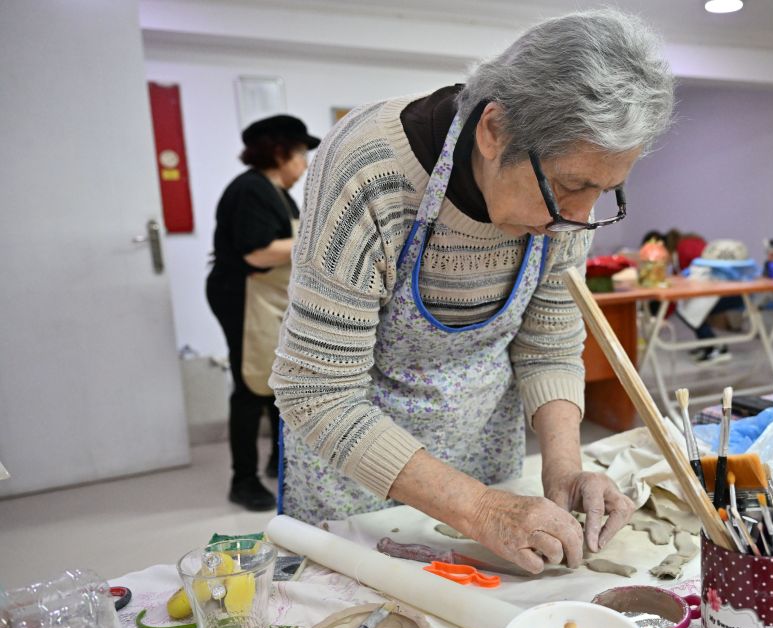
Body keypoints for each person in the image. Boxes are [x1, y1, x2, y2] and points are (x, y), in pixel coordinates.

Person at [271, 10, 674, 573]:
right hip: (356, 469)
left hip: (487, 454)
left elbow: (549, 345)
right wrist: (480, 509)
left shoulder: (563, 212)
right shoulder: (367, 168)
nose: (577, 220)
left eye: (605, 191)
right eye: (569, 187)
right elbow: (317, 392)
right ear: (494, 131)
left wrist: (563, 469)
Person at [206, 115, 320, 511]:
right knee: (250, 383)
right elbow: (257, 251)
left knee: (275, 378)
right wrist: (315, 239)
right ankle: (243, 479)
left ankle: (278, 459)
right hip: (242, 294)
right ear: (279, 151)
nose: (304, 164)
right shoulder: (250, 189)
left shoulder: (279, 193)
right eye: (301, 153)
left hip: (268, 295)